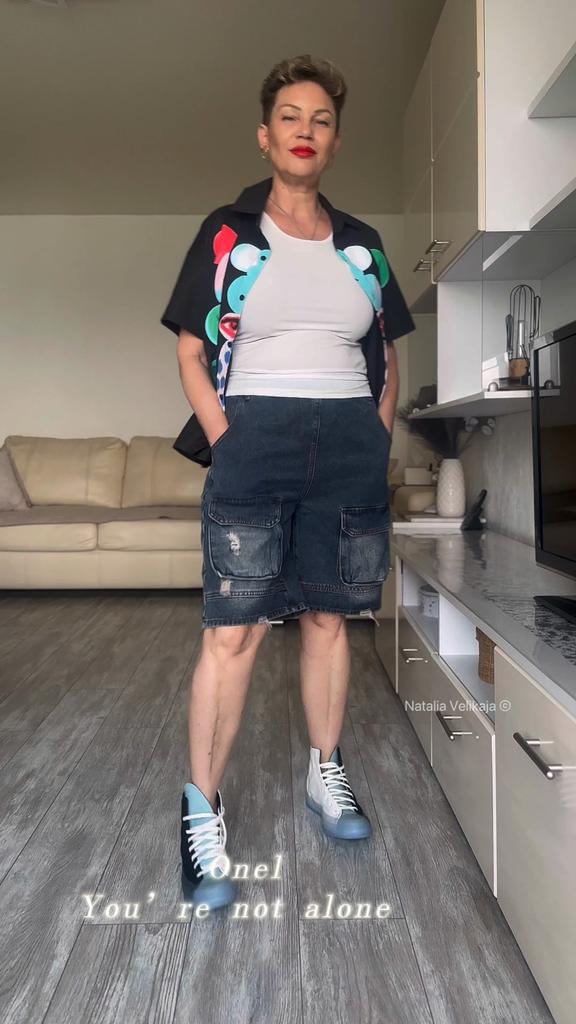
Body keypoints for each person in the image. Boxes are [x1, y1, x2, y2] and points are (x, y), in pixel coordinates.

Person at [161, 54, 416, 912]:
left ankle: (324, 772)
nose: (306, 131)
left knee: (329, 617)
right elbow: (191, 348)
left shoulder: (363, 245)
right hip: (255, 437)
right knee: (234, 629)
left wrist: (374, 434)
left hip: (347, 442)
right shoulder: (229, 232)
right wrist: (227, 438)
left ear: (334, 143)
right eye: (290, 118)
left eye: (322, 120)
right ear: (265, 137)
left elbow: (387, 353)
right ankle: (202, 812)